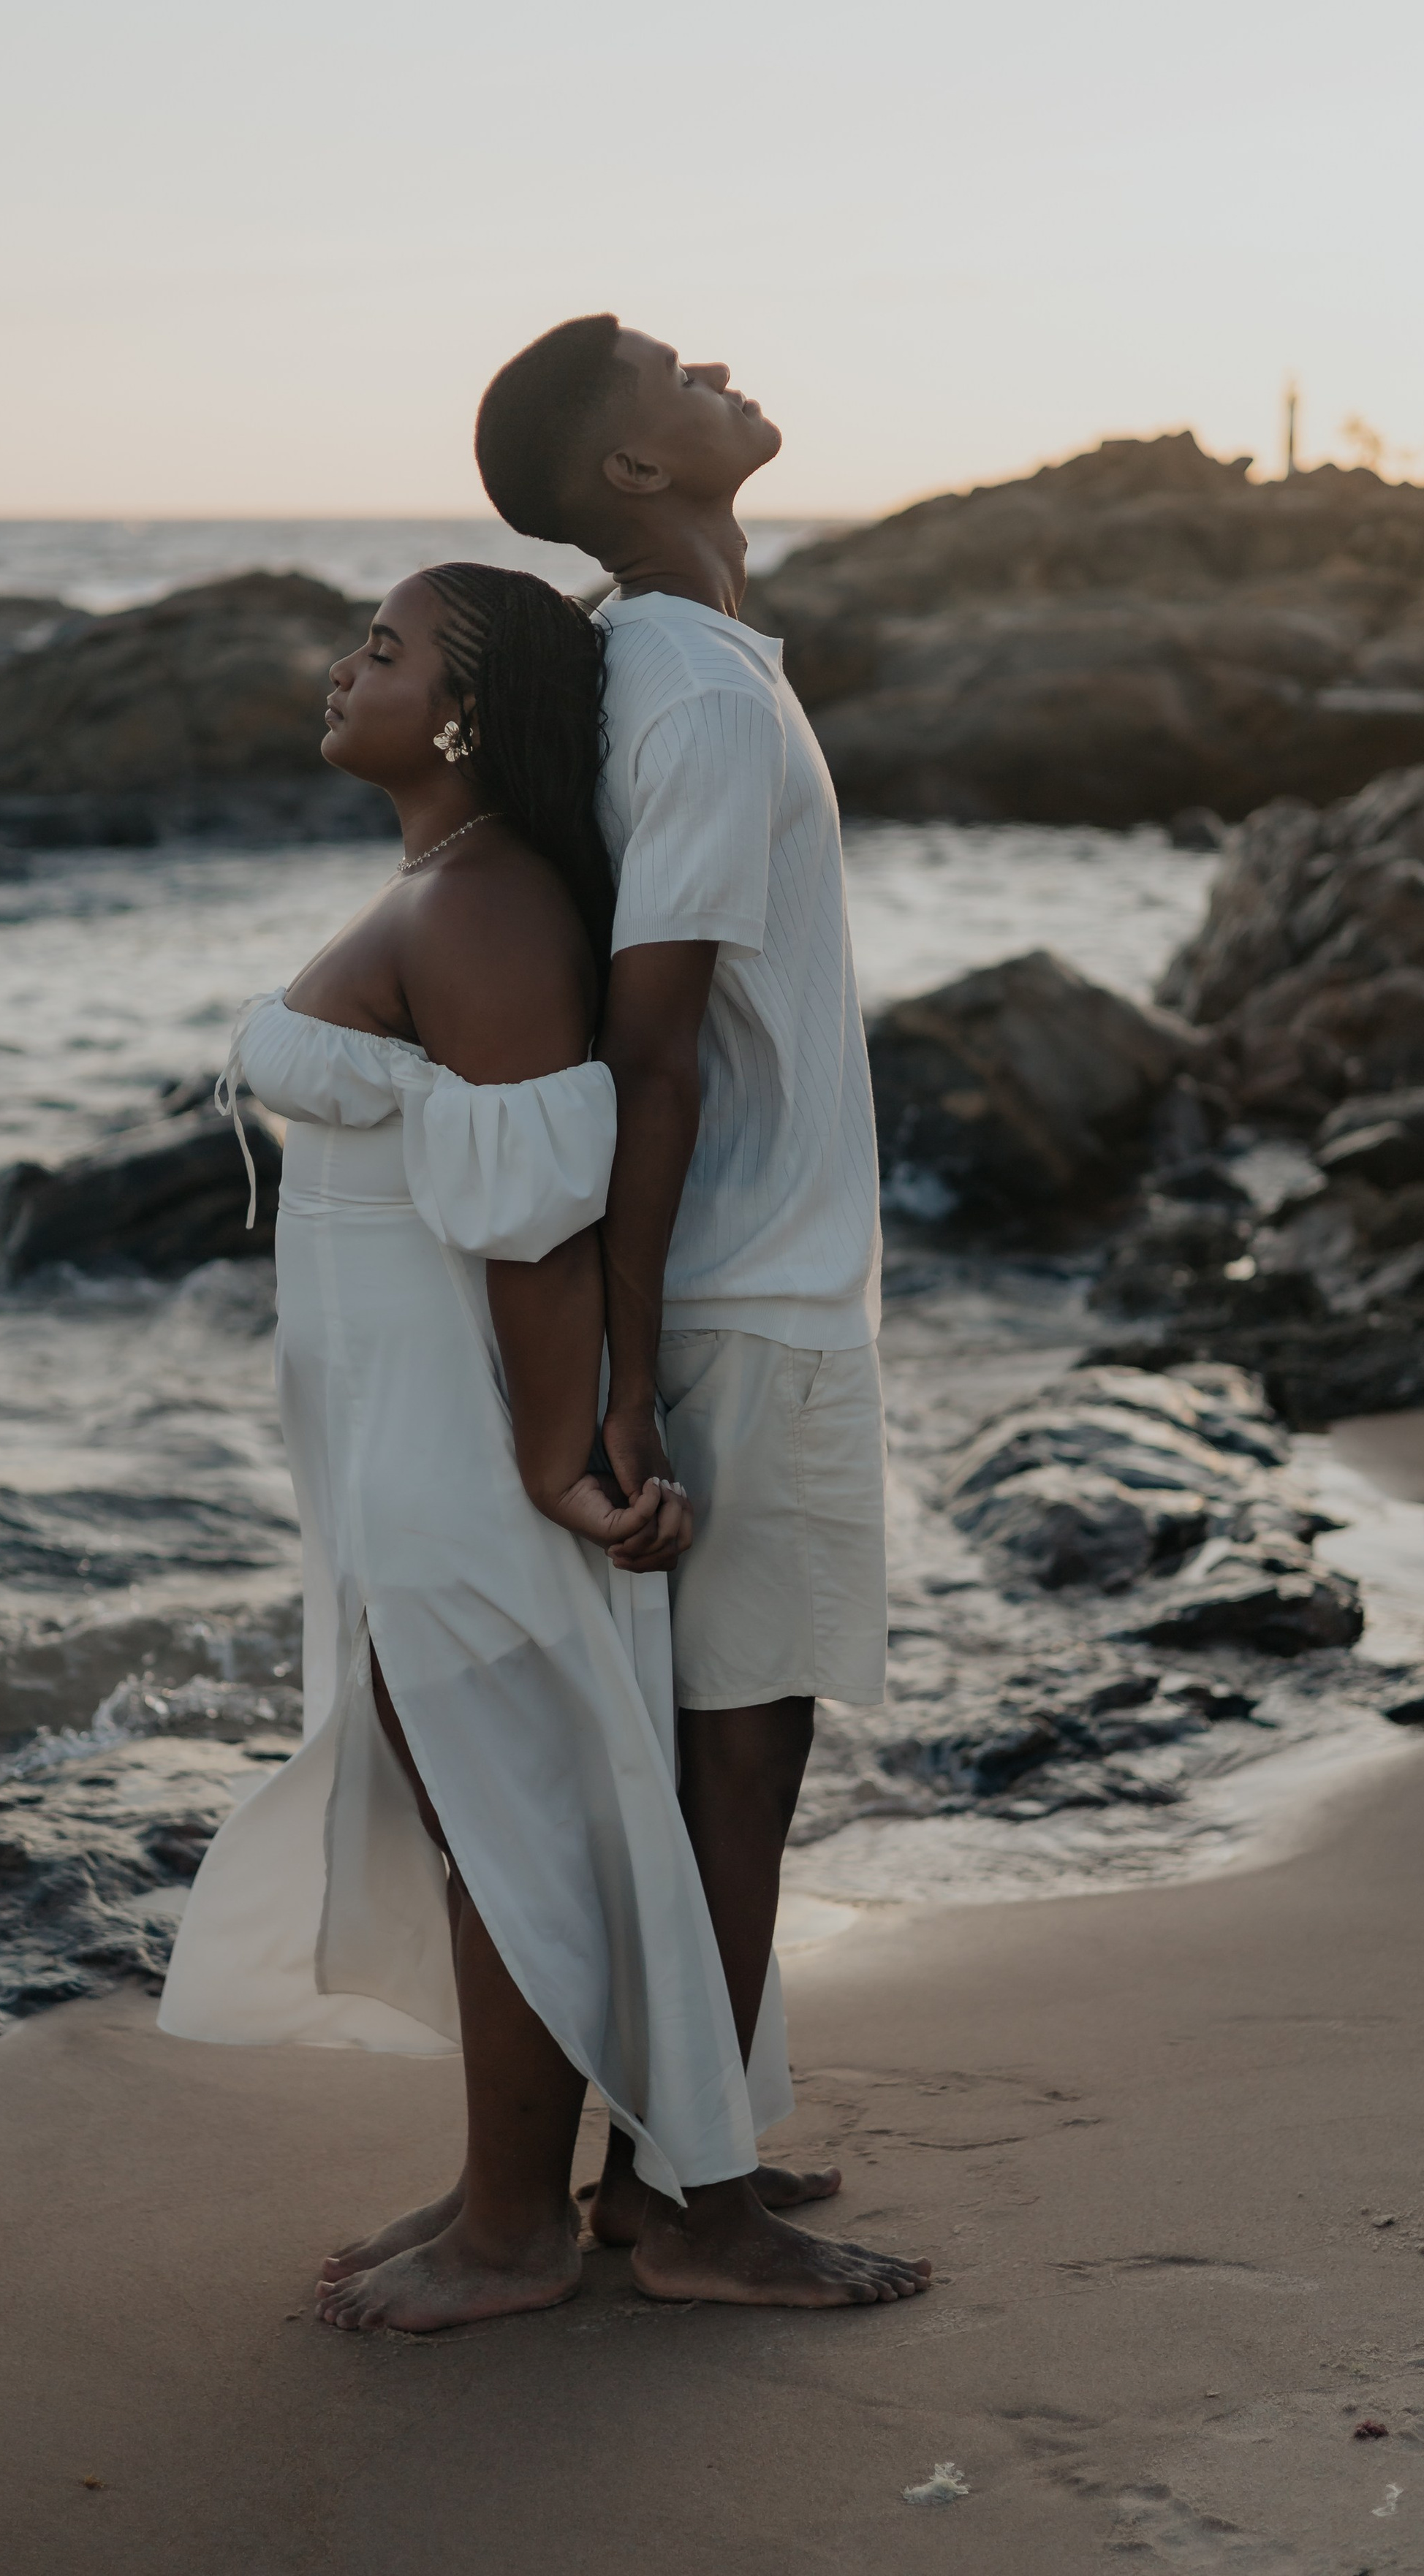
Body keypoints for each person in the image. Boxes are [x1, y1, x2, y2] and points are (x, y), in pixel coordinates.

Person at [158, 562, 926, 2330]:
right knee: (489, 1798)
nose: (341, 667)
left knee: (499, 1805)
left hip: (455, 1420)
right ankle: (519, 2183)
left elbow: (534, 1226)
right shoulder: (453, 882)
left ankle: (522, 2229)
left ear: (456, 713)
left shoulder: (490, 902)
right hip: (396, 1413)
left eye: (383, 647)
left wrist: (546, 1449)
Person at [473, 321, 904, 2282]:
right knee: (746, 1753)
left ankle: (681, 2153)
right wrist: (631, 1377)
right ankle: (687, 2207)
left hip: (732, 1290)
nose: (713, 362)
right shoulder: (705, 702)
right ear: (633, 476)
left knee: (725, 1750)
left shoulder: (681, 670)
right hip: (749, 1302)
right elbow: (654, 1053)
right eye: (668, 361)